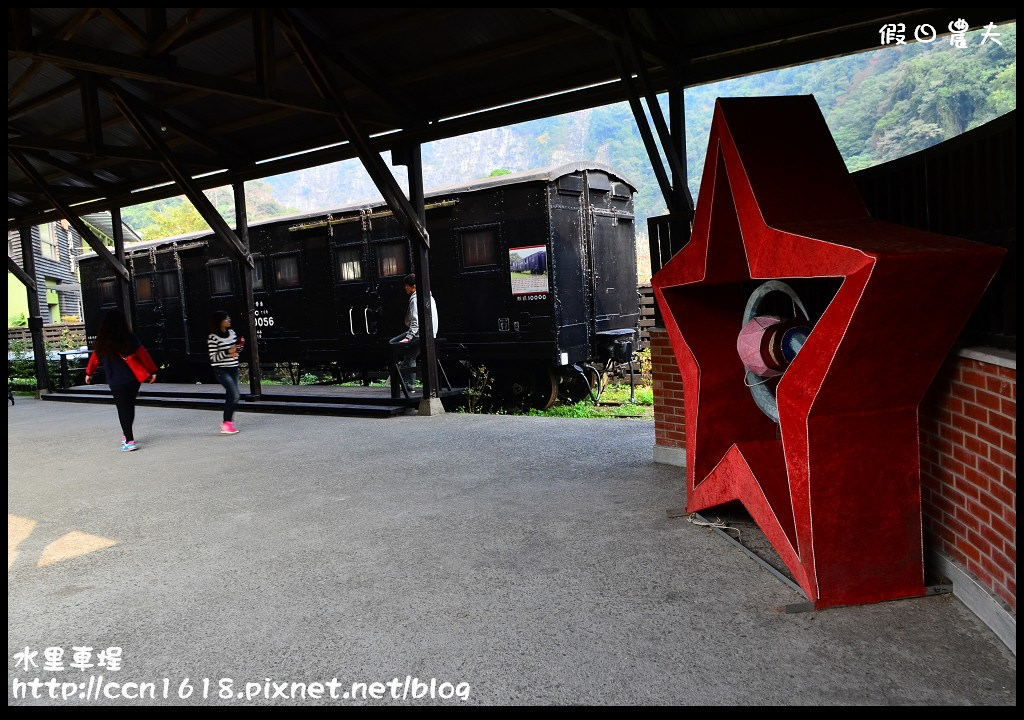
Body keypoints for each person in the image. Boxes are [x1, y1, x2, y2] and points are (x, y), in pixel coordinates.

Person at [84, 309, 158, 451]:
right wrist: (153, 371)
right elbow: (143, 355)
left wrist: (89, 373)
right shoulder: (130, 338)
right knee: (129, 406)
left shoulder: (102, 341)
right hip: (132, 379)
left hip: (116, 380)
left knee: (123, 408)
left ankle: (129, 440)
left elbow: (94, 359)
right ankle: (126, 434)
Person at [388, 273, 439, 398]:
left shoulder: (415, 298)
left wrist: (409, 337)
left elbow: (416, 321)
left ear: (414, 287)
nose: (405, 288)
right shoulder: (429, 297)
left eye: (407, 286)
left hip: (419, 333)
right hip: (430, 333)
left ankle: (403, 382)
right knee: (410, 356)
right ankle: (408, 383)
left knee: (392, 343)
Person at [208, 310, 244, 435]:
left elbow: (236, 350)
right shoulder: (213, 338)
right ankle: (226, 424)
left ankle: (227, 424)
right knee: (235, 395)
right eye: (226, 319)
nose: (229, 321)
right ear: (220, 322)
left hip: (234, 368)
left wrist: (239, 347)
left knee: (231, 395)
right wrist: (229, 351)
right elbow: (214, 358)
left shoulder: (232, 333)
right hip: (221, 370)